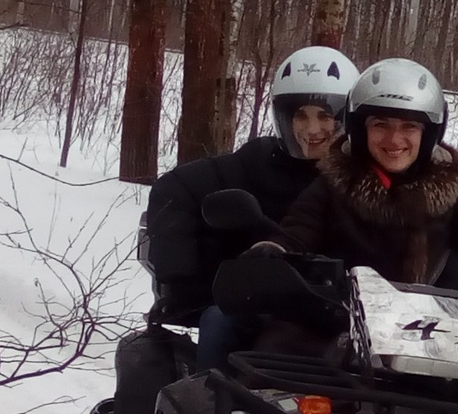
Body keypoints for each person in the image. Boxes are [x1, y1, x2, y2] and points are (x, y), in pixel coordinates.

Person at [254, 57, 458, 293]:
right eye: (381, 125)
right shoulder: (334, 182)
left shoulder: (447, 190)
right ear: (360, 130)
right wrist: (272, 253)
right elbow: (296, 233)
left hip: (420, 334)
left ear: (428, 135)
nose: (394, 140)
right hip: (335, 323)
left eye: (409, 127)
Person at [141, 45, 359, 371]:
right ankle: (209, 396)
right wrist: (183, 280)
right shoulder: (255, 165)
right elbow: (173, 190)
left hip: (348, 312)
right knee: (218, 322)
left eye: (325, 116)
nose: (312, 129)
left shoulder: (361, 177)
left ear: (346, 118)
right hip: (265, 302)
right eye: (300, 115)